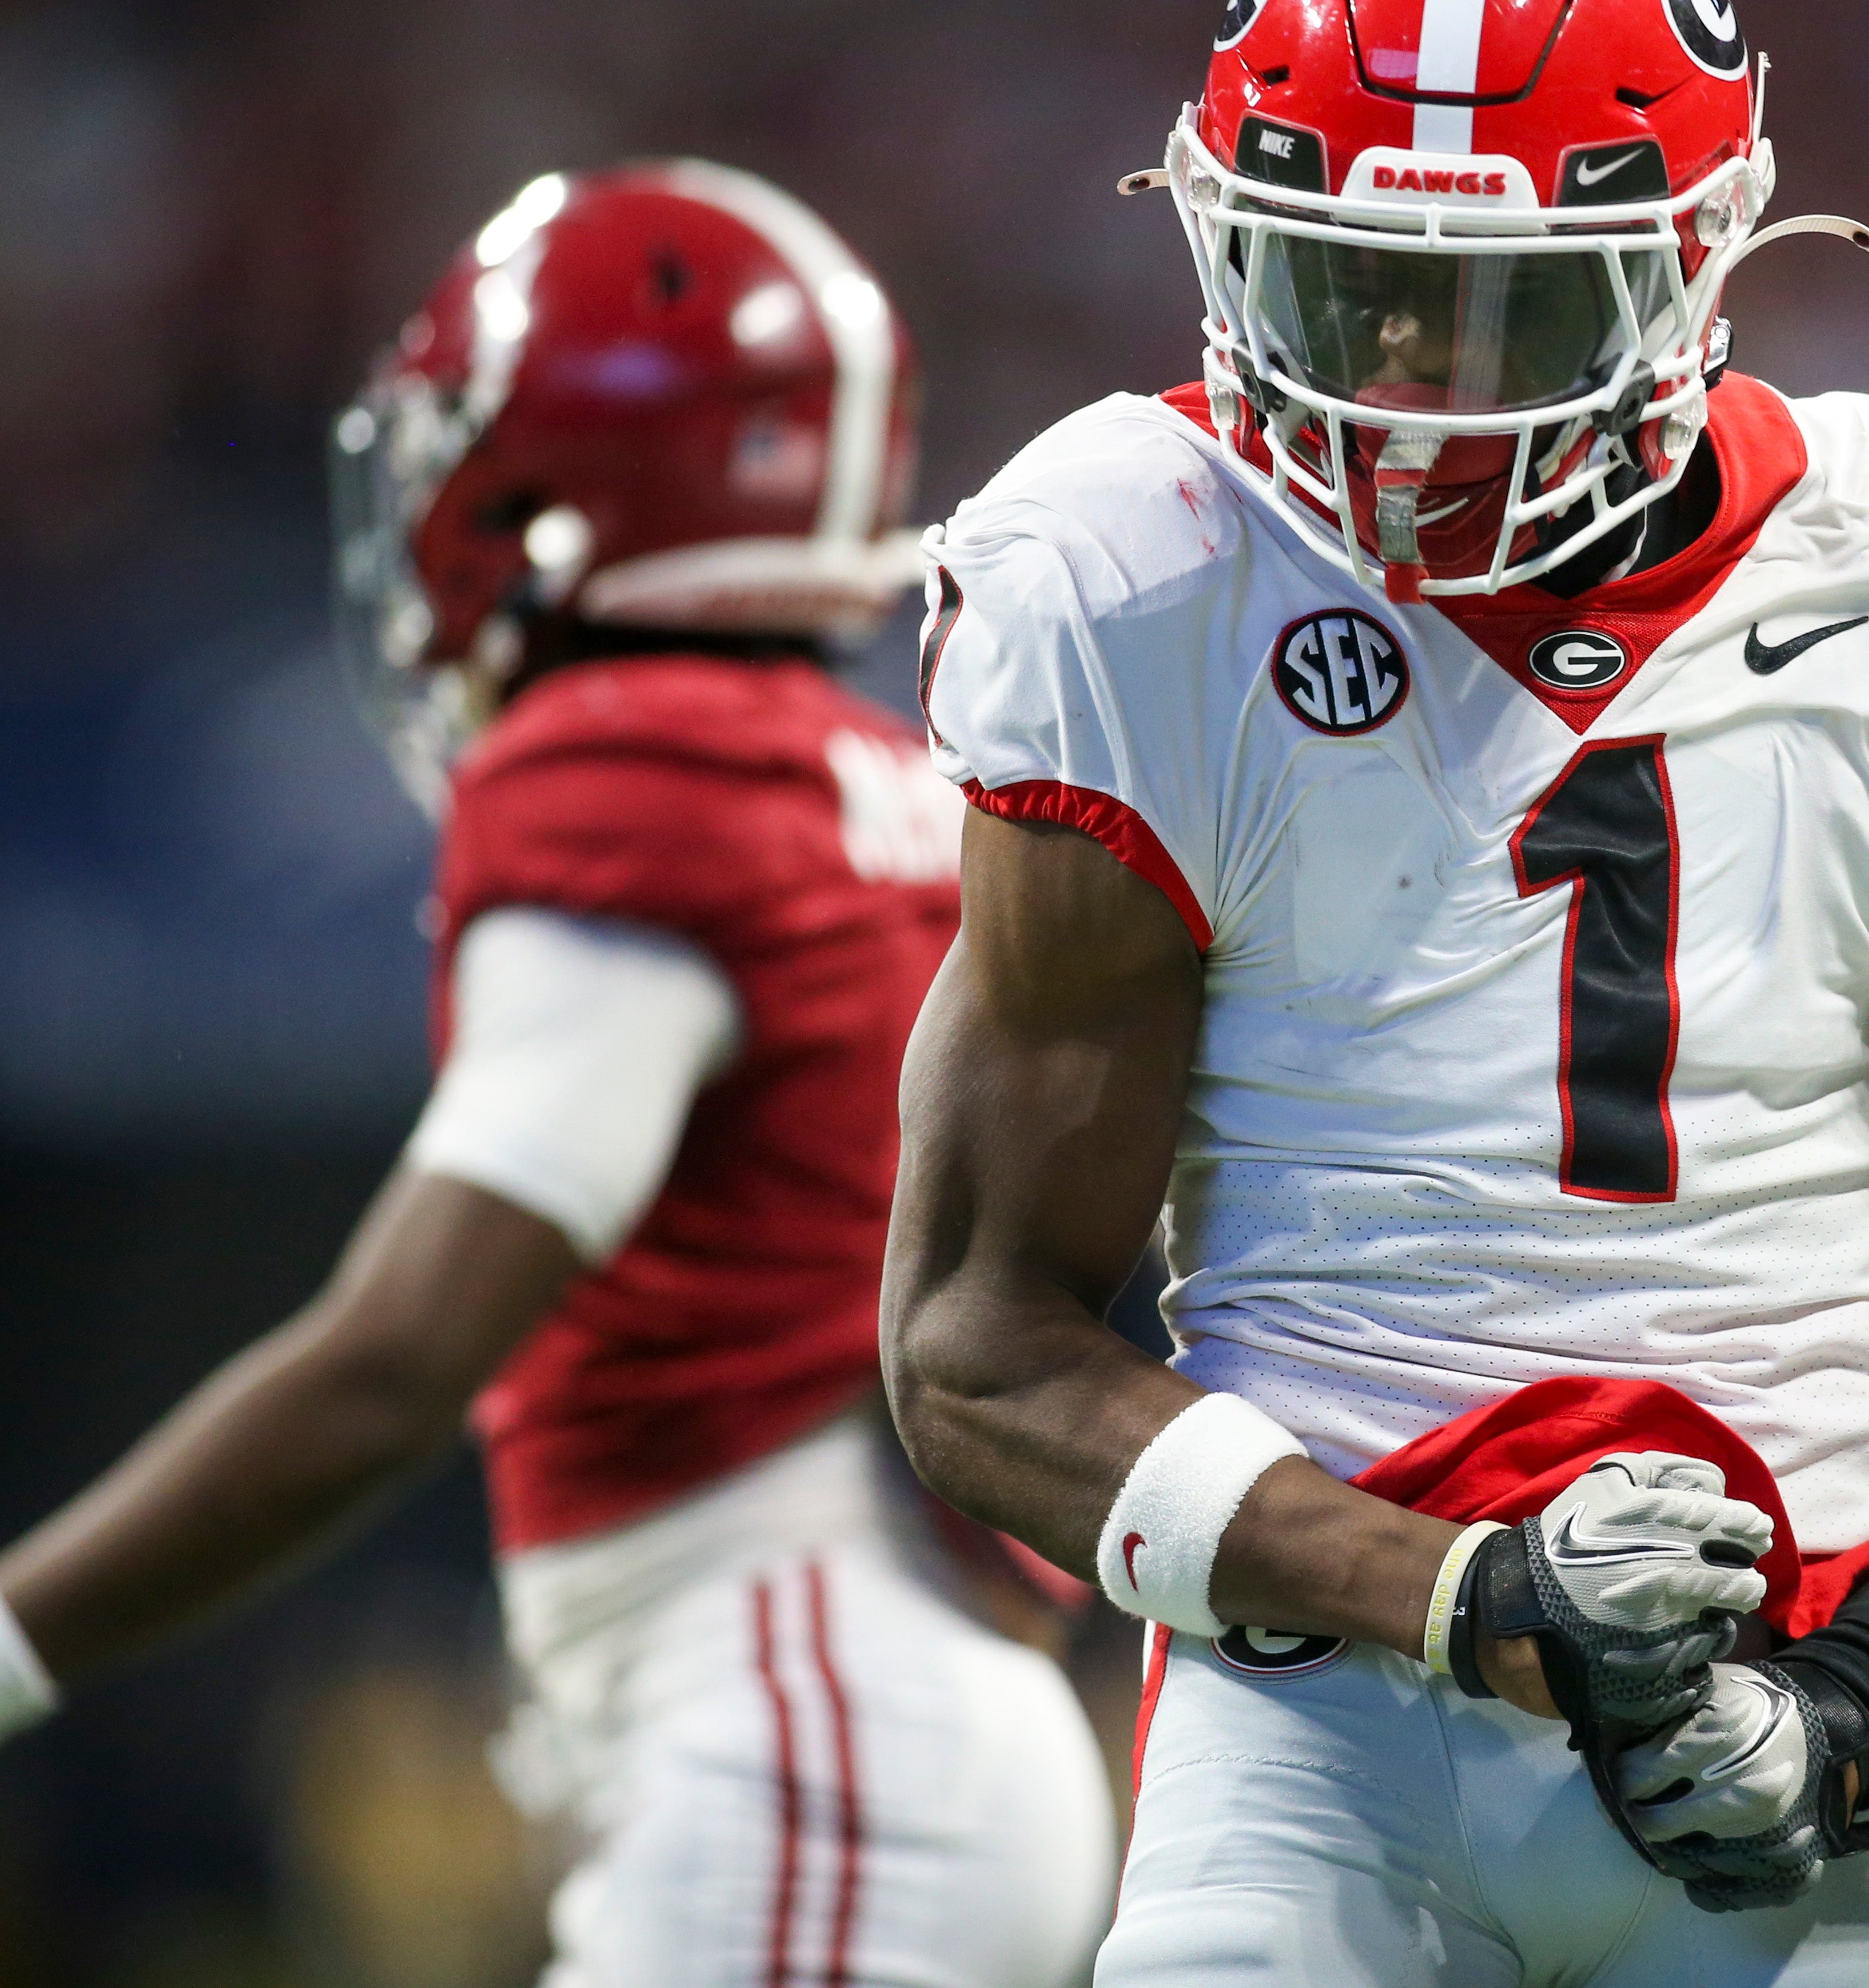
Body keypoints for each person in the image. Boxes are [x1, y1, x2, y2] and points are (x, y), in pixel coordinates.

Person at [880, 0, 1869, 1988]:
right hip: (1316, 1730)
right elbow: (975, 1349)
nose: (1404, 387)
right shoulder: (1136, 572)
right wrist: (1452, 1594)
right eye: (1348, 286)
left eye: (1502, 305)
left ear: (1691, 264)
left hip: (1777, 1709)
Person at [0, 164, 1115, 1987]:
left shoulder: (625, 767)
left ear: (549, 480)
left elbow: (393, 1360)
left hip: (809, 1727)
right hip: (900, 1720)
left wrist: (14, 1636)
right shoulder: (884, 784)